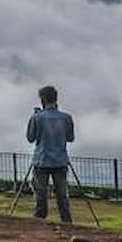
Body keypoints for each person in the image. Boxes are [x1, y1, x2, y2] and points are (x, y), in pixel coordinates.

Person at [26, 85, 75, 223]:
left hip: (42, 160)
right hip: (60, 160)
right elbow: (70, 138)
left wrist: (35, 116)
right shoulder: (66, 118)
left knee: (41, 194)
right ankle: (66, 221)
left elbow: (30, 138)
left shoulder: (37, 118)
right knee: (62, 194)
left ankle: (40, 220)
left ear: (42, 100)